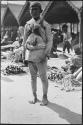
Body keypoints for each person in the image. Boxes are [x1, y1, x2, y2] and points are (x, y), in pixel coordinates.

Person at [22, 2, 52, 105]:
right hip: (30, 55)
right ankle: (34, 96)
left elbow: (49, 41)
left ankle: (45, 97)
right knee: (32, 77)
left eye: (36, 9)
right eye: (31, 9)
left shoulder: (45, 24)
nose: (33, 11)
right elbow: (24, 41)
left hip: (41, 54)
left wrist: (46, 53)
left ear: (40, 11)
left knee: (43, 77)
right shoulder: (27, 25)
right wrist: (23, 55)